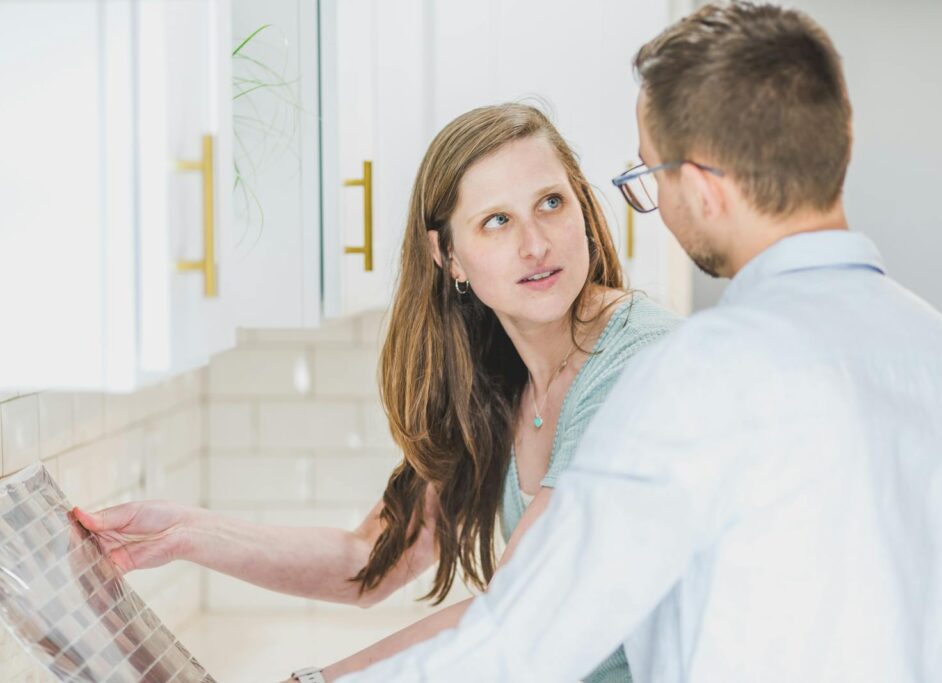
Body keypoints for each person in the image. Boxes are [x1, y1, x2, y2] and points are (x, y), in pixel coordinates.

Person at [333, 3, 942, 682]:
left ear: (699, 187)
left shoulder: (692, 374)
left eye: (649, 177)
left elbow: (522, 641)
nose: (654, 204)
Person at [72, 103, 679, 683]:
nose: (536, 243)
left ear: (584, 211)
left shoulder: (636, 365)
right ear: (448, 257)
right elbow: (371, 560)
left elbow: (518, 611)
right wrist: (187, 533)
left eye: (551, 203)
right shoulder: (502, 377)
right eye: (497, 220)